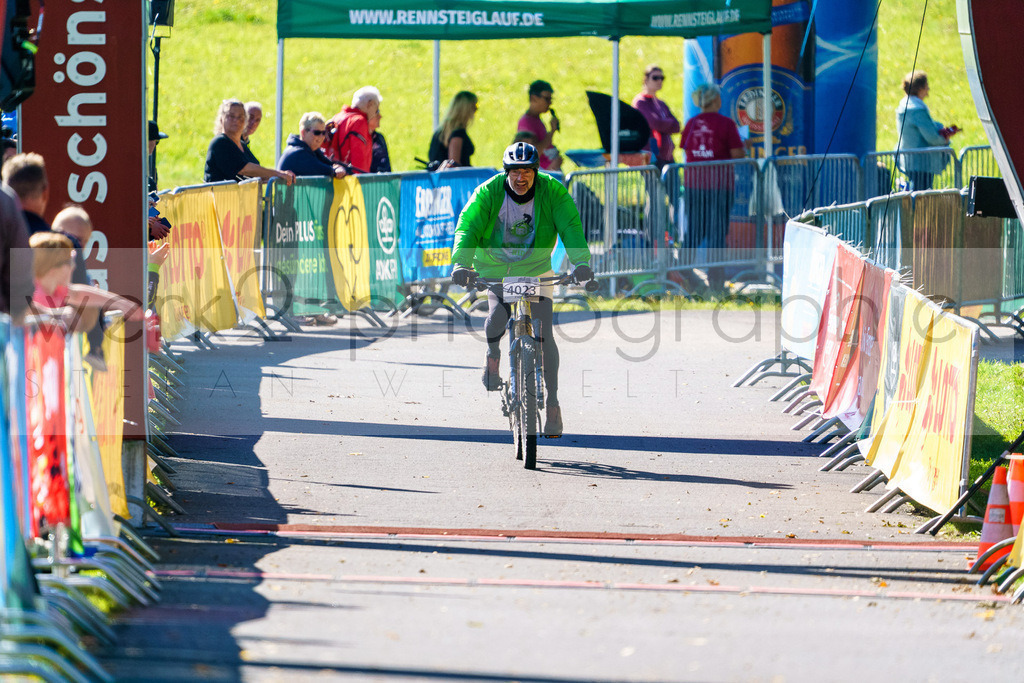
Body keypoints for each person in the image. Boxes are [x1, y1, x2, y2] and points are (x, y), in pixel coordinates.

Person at [450, 142, 593, 437]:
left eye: (526, 170)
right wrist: (461, 264)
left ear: (536, 172)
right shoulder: (488, 193)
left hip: (535, 268)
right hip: (495, 266)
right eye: (514, 171)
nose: (520, 177)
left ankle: (552, 403)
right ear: (506, 173)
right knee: (498, 319)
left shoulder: (552, 191)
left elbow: (570, 227)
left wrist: (581, 264)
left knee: (545, 335)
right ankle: (493, 353)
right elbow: (468, 227)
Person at [679, 83, 745, 293]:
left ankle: (683, 275)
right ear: (716, 101)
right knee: (717, 235)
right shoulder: (726, 124)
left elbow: (685, 147)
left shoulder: (691, 123)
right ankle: (716, 284)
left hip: (694, 186)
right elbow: (737, 155)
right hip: (719, 188)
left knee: (694, 232)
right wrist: (746, 147)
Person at [28, 231, 142, 331]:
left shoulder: (55, 288)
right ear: (52, 268)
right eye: (69, 262)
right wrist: (55, 314)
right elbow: (21, 306)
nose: (74, 267)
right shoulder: (32, 289)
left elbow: (77, 294)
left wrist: (121, 303)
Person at [895, 70, 960, 191]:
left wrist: (939, 128)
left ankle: (905, 188)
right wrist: (944, 140)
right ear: (920, 88)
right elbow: (931, 137)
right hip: (921, 163)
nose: (928, 90)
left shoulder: (904, 106)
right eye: (926, 86)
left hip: (909, 159)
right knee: (921, 198)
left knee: (916, 194)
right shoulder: (917, 110)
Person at [204, 99, 295, 185]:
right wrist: (278, 174)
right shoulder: (220, 143)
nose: (236, 120)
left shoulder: (243, 146)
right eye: (231, 116)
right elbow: (244, 169)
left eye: (240, 117)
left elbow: (255, 176)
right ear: (221, 118)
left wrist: (280, 178)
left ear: (245, 121)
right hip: (222, 200)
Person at [323, 86, 381, 174]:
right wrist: (362, 181)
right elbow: (359, 160)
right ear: (370, 104)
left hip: (336, 177)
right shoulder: (359, 121)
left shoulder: (337, 117)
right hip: (351, 181)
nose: (377, 113)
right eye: (377, 109)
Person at [632, 65, 680, 169]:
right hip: (651, 157)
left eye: (662, 78)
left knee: (674, 185)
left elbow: (677, 126)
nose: (659, 81)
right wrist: (667, 124)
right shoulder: (640, 102)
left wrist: (664, 124)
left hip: (667, 157)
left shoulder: (661, 103)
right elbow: (654, 123)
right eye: (655, 78)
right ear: (646, 80)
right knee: (654, 185)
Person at [277, 112, 348, 178]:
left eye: (324, 133)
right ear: (303, 132)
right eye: (317, 133)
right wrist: (336, 170)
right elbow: (322, 170)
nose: (321, 137)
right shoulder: (296, 153)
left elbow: (329, 164)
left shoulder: (313, 151)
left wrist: (338, 168)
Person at [517, 80, 562, 172]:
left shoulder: (537, 120)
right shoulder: (526, 123)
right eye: (546, 99)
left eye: (551, 99)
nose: (550, 103)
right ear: (534, 98)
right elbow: (532, 153)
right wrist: (552, 131)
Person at [429, 91, 478, 168]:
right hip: (455, 178)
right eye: (474, 106)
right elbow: (454, 164)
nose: (476, 109)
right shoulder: (458, 134)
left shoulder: (441, 132)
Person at [369, 109, 391, 173]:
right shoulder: (360, 138)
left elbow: (387, 166)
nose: (380, 117)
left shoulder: (379, 137)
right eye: (377, 113)